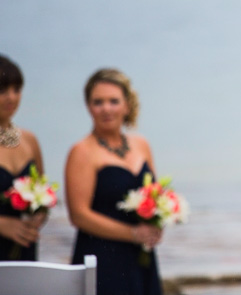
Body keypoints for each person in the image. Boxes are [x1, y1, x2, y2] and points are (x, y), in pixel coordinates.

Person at [66, 68, 164, 295]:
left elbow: (155, 197)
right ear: (88, 107)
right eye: (98, 102)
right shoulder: (81, 151)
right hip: (102, 259)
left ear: (127, 105)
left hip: (141, 258)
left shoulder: (142, 145)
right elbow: (79, 215)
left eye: (113, 101)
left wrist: (158, 223)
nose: (106, 109)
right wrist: (132, 233)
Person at [0, 55, 47, 260]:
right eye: (2, 91)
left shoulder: (29, 140)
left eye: (16, 90)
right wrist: (3, 225)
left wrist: (39, 216)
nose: (11, 98)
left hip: (24, 245)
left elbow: (42, 195)